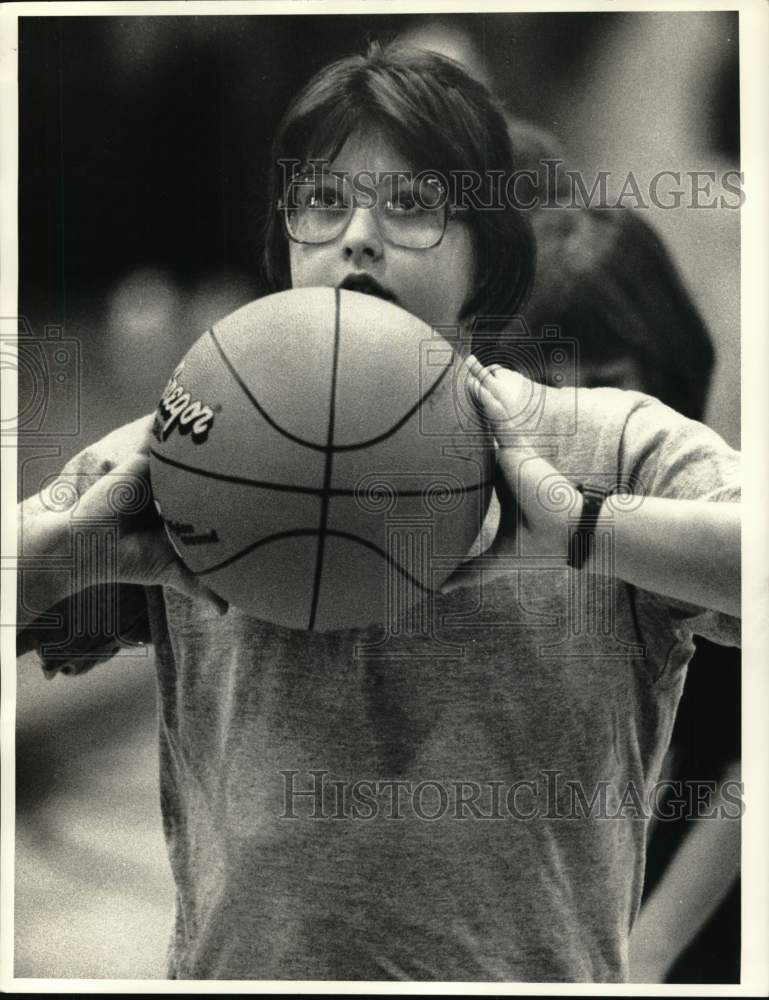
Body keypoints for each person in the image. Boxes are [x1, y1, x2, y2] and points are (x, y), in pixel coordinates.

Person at [17, 42, 740, 983]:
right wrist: (61, 554)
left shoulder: (607, 446)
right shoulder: (185, 443)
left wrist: (586, 528)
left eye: (412, 206)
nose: (357, 235)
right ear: (283, 250)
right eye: (322, 202)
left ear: (489, 258)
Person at [520, 203, 742, 983]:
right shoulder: (509, 521)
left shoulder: (713, 514)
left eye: (609, 384)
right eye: (549, 391)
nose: (585, 419)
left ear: (664, 370)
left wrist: (642, 955)